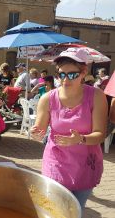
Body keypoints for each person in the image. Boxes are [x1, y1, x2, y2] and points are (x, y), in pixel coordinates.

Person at [31, 48, 107, 211]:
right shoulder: (47, 98)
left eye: (72, 74)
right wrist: (36, 133)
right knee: (56, 210)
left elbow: (100, 134)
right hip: (56, 163)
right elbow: (40, 130)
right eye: (61, 75)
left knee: (76, 210)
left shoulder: (96, 96)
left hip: (85, 165)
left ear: (83, 72)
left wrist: (80, 139)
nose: (65, 80)